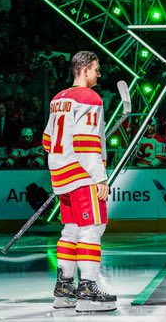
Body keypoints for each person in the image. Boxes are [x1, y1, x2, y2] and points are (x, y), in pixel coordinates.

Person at [42, 51, 116, 312]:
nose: (98, 74)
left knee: (70, 230)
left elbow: (47, 140)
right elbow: (86, 142)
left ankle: (63, 290)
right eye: (96, 69)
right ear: (84, 70)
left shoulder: (57, 98)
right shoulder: (89, 97)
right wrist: (100, 178)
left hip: (60, 174)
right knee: (92, 229)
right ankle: (87, 292)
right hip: (83, 174)